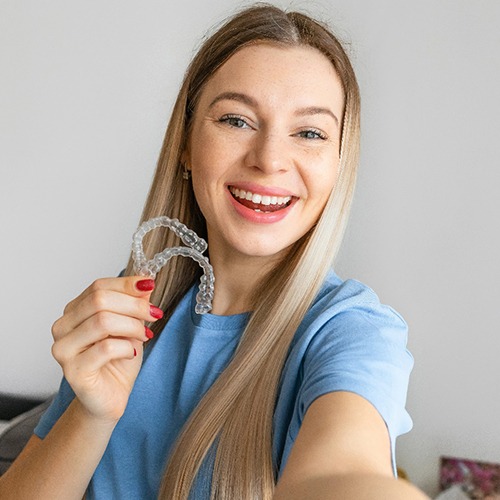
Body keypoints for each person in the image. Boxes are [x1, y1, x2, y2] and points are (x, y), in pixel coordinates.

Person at [0, 4, 429, 499]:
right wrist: (93, 413)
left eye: (309, 132)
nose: (269, 159)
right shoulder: (135, 307)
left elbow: (338, 475)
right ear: (185, 142)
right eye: (236, 120)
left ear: (338, 165)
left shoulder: (351, 331)